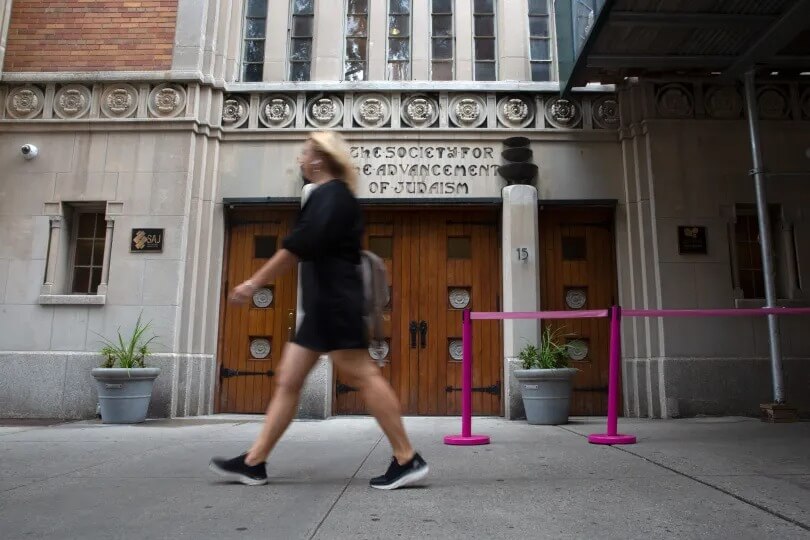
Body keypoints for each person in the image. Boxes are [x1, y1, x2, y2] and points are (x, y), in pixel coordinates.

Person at [209, 130, 428, 490]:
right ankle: (254, 461)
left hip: (335, 304)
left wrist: (253, 283)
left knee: (362, 375)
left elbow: (297, 247)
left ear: (319, 159)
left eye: (305, 153)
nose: (300, 159)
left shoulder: (332, 195)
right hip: (324, 306)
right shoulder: (332, 196)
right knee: (288, 379)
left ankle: (406, 457)